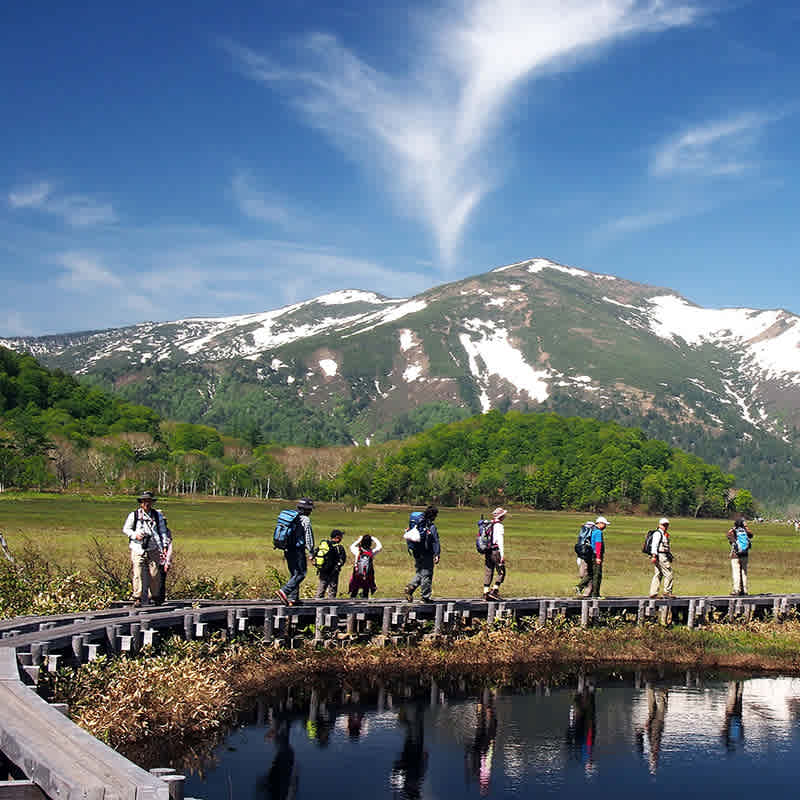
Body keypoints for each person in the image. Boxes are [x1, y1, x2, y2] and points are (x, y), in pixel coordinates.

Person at [122, 491, 172, 607]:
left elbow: (163, 531)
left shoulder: (157, 515)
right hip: (138, 548)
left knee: (154, 574)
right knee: (138, 573)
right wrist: (135, 535)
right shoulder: (133, 515)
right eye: (144, 501)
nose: (147, 503)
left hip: (154, 547)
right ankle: (138, 597)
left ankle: (154, 596)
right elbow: (126, 529)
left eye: (149, 501)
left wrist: (164, 546)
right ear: (141, 503)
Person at [276, 498, 314, 607]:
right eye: (310, 509)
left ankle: (293, 599)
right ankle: (284, 591)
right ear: (306, 510)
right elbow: (308, 537)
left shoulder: (291, 517)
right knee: (301, 573)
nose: (311, 512)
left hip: (287, 549)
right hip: (298, 550)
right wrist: (311, 552)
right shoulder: (305, 520)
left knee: (294, 573)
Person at [404, 506, 441, 602]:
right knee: (427, 574)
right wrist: (436, 554)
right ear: (433, 515)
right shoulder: (431, 527)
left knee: (420, 572)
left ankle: (411, 587)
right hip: (426, 553)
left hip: (416, 552)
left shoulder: (417, 524)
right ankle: (425, 597)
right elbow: (435, 541)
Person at [576, 516, 608, 598]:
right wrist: (598, 557)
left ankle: (580, 587)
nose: (605, 526)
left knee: (591, 573)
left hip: (590, 555)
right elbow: (598, 544)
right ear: (600, 523)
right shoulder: (598, 532)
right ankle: (595, 594)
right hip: (595, 555)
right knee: (597, 575)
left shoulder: (592, 531)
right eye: (604, 524)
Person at [482, 507, 507, 601]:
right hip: (496, 550)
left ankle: (485, 592)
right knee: (501, 571)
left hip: (488, 550)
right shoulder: (499, 526)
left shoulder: (489, 524)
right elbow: (500, 541)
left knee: (488, 571)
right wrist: (502, 555)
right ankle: (495, 590)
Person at [314, 529, 347, 598]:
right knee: (332, 590)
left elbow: (315, 554)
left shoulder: (324, 545)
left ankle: (317, 604)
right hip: (333, 572)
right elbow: (342, 560)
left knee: (321, 587)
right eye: (341, 536)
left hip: (323, 570)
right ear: (337, 537)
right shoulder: (339, 547)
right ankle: (332, 606)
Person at [348, 533, 382, 599]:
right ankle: (365, 603)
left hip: (357, 573)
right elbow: (380, 547)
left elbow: (351, 546)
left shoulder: (357, 551)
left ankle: (352, 601)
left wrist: (359, 540)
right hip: (368, 574)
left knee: (355, 589)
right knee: (366, 590)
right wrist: (373, 538)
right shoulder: (371, 552)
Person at [727, 516, 753, 596]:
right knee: (744, 572)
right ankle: (744, 590)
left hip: (735, 555)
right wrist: (745, 527)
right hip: (745, 554)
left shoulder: (733, 530)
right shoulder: (745, 530)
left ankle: (736, 589)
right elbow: (751, 535)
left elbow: (728, 535)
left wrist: (733, 528)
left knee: (736, 572)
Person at [649, 517, 674, 598]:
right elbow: (654, 545)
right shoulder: (658, 534)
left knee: (658, 574)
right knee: (669, 573)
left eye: (667, 525)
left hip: (660, 555)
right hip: (660, 556)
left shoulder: (663, 534)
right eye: (664, 525)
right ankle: (667, 592)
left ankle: (653, 593)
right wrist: (653, 556)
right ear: (659, 525)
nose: (665, 526)